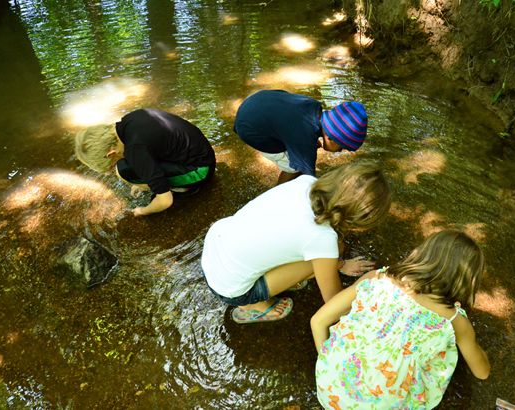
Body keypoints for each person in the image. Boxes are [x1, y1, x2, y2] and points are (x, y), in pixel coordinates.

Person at [311, 230, 490, 409]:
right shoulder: (453, 321)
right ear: (467, 281)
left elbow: (318, 321)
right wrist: (474, 343)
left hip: (329, 390)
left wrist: (330, 365)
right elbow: (482, 373)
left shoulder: (376, 278)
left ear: (423, 254)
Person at [201, 161, 391, 324]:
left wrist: (338, 262)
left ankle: (277, 279)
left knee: (332, 252)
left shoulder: (307, 182)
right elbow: (333, 301)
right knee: (324, 259)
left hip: (214, 249)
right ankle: (254, 306)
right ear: (357, 224)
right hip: (228, 288)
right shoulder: (322, 239)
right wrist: (367, 289)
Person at [75, 109, 216, 216]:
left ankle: (182, 188)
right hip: (201, 152)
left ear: (111, 153)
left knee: (123, 169)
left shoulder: (135, 150)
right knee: (129, 165)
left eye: (110, 164)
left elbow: (165, 201)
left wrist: (142, 211)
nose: (112, 166)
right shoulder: (129, 120)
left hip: (201, 170)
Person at [234, 89, 368, 185]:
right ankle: (278, 193)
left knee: (297, 144)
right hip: (249, 129)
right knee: (295, 168)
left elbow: (296, 124)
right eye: (341, 147)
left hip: (253, 103)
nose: (340, 151)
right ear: (330, 138)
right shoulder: (306, 144)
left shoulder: (313, 106)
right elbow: (308, 180)